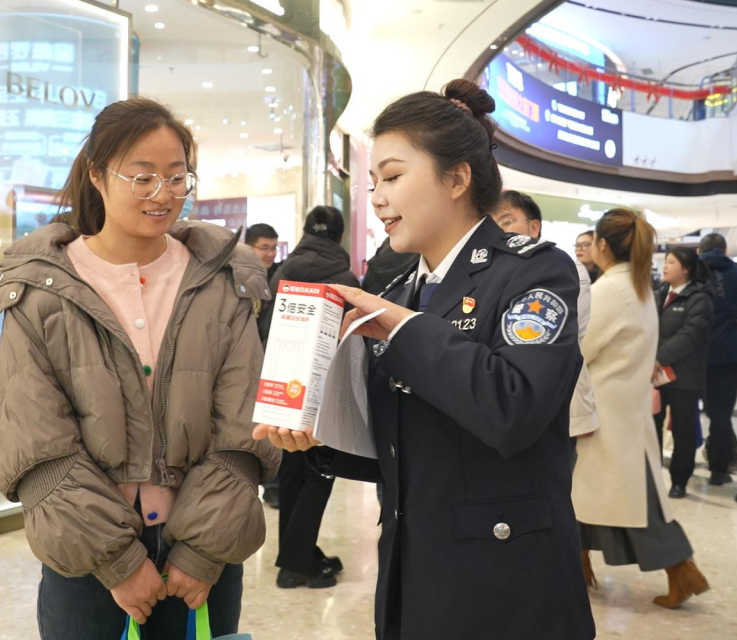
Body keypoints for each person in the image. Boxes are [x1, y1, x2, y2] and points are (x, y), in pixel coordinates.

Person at [256, 80, 595, 639]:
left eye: (392, 177)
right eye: (373, 182)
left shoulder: (535, 271)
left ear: (457, 179)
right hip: (414, 574)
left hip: (506, 586)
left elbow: (513, 410)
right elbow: (404, 447)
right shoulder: (402, 290)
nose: (378, 198)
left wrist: (403, 327)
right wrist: (318, 439)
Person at [0, 97, 280, 639]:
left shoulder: (225, 281)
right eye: (143, 178)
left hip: (205, 552)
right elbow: (36, 438)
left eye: (176, 177)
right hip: (86, 558)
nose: (162, 195)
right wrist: (118, 562)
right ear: (97, 175)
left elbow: (242, 426)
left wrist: (202, 551)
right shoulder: (39, 287)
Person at [574, 209, 710, 609]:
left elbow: (579, 348)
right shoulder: (637, 287)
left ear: (602, 245)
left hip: (601, 411)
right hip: (621, 408)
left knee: (627, 504)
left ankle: (682, 572)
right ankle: (577, 566)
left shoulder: (609, 291)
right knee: (592, 498)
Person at [261, 205, 358, 589]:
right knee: (320, 472)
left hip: (282, 387)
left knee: (291, 472)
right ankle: (296, 564)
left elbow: (265, 327)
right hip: (324, 389)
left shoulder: (283, 272)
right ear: (339, 235)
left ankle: (297, 551)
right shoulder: (346, 279)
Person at [492, 191, 599, 446]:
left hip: (558, 399)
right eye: (492, 223)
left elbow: (570, 331)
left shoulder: (562, 267)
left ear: (534, 227)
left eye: (507, 221)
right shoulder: (491, 271)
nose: (498, 230)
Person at [654, 247, 713, 498]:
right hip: (655, 377)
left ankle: (679, 481)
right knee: (651, 428)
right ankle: (652, 477)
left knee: (683, 431)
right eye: (665, 261)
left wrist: (658, 358)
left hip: (685, 378)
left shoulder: (700, 298)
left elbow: (691, 335)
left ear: (686, 268)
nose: (665, 266)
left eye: (671, 262)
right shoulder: (659, 293)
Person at [245, 223, 283, 509]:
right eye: (264, 247)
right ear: (249, 247)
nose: (270, 253)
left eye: (273, 248)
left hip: (270, 363)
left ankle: (271, 485)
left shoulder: (279, 275)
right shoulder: (240, 277)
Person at [699, 233, 737, 486]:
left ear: (700, 250)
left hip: (695, 354)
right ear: (724, 250)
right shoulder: (735, 273)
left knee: (689, 413)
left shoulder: (693, 272)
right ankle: (719, 468)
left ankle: (680, 473)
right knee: (722, 413)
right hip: (729, 356)